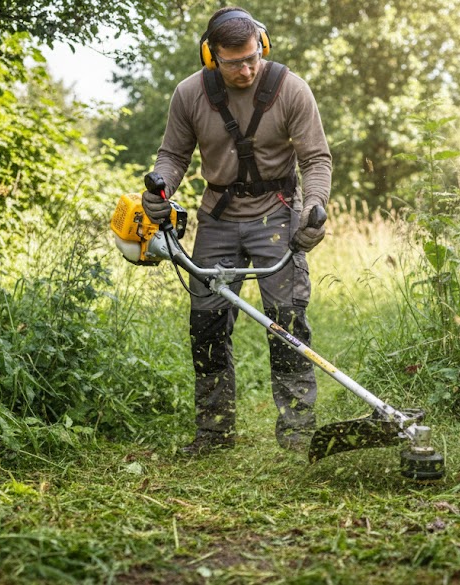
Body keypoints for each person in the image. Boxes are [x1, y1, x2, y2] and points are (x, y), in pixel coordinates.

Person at [142, 6, 332, 456]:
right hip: (219, 217)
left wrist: (314, 207)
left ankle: (297, 432)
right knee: (206, 325)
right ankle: (214, 433)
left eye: (252, 58)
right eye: (233, 63)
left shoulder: (290, 89)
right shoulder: (190, 94)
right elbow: (173, 155)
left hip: (277, 214)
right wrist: (160, 186)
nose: (246, 70)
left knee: (287, 323)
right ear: (211, 56)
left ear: (261, 45)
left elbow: (316, 159)